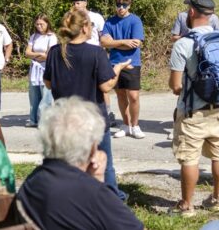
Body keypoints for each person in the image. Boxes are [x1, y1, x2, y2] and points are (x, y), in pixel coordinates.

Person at [15, 97, 144, 230]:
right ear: (92, 148)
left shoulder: (32, 181)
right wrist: (99, 186)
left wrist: (95, 181)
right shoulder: (95, 196)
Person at [43, 10, 132, 201]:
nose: (92, 28)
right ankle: (111, 198)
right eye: (90, 24)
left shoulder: (54, 52)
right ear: (84, 27)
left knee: (68, 162)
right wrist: (117, 68)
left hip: (64, 120)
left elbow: (48, 83)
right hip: (93, 120)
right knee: (103, 162)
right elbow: (106, 86)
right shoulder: (96, 53)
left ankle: (69, 197)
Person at [168, 0, 219, 216]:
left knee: (189, 158)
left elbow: (175, 86)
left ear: (192, 13)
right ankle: (217, 199)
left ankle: (186, 205)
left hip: (193, 111)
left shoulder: (183, 43)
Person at [70, 0, 118, 126]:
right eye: (73, 2)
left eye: (78, 1)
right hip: (77, 56)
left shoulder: (96, 17)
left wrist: (104, 51)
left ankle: (107, 113)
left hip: (95, 55)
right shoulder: (70, 17)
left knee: (102, 86)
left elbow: (104, 35)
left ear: (85, 3)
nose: (75, 4)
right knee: (80, 86)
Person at [101, 0, 146, 139]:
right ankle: (126, 125)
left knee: (133, 96)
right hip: (114, 63)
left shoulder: (135, 20)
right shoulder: (110, 22)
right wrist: (124, 42)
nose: (121, 8)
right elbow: (104, 42)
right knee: (120, 95)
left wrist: (114, 43)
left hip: (132, 63)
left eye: (124, 6)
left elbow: (136, 44)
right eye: (119, 5)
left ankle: (135, 125)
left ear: (129, 6)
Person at [24, 14, 57, 128]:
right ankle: (33, 119)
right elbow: (27, 53)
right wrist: (38, 54)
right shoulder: (33, 36)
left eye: (41, 24)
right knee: (34, 95)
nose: (39, 26)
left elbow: (49, 55)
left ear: (47, 23)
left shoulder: (51, 37)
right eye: (37, 24)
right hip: (34, 68)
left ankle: (45, 121)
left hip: (46, 69)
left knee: (46, 96)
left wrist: (36, 55)